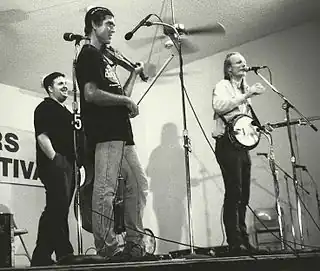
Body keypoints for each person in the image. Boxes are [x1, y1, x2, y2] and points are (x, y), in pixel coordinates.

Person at [75, 6, 148, 260]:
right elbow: (91, 94)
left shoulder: (105, 59)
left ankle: (134, 243)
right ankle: (107, 248)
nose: (113, 28)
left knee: (139, 184)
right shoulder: (89, 54)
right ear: (94, 25)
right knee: (105, 190)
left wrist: (134, 75)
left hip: (123, 134)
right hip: (105, 133)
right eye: (108, 23)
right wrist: (126, 103)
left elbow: (121, 96)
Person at [212, 52, 265, 255]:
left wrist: (257, 128)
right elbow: (219, 106)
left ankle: (244, 240)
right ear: (229, 69)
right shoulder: (222, 86)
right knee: (234, 193)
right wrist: (247, 95)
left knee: (244, 195)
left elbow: (242, 121)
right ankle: (234, 243)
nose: (244, 64)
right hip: (226, 144)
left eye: (244, 61)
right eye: (239, 62)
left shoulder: (243, 90)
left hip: (241, 146)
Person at [31, 72, 75, 266]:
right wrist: (56, 159)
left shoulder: (66, 111)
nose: (65, 86)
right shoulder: (45, 108)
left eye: (65, 83)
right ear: (50, 88)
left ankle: (41, 255)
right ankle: (65, 253)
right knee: (57, 208)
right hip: (56, 163)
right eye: (60, 83)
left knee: (56, 210)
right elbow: (42, 136)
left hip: (69, 164)